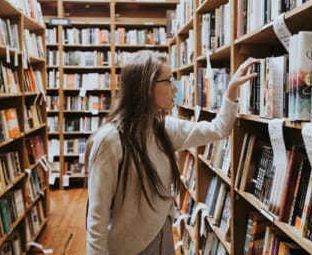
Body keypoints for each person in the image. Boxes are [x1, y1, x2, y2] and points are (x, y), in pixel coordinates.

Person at [86, 50, 258, 254]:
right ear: (146, 88)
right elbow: (96, 217)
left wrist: (231, 91)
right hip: (129, 248)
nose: (175, 88)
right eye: (168, 81)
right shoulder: (110, 140)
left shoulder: (165, 129)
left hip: (163, 237)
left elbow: (218, 129)